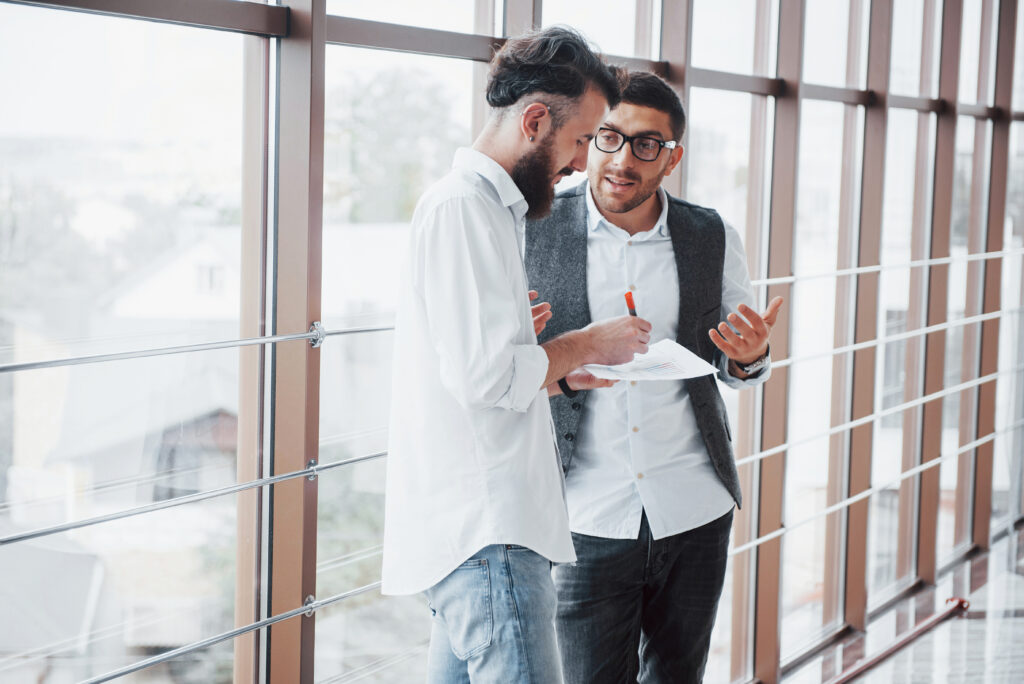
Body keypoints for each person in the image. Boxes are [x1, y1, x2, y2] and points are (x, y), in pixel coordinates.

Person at [381, 28, 654, 683]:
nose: (583, 163)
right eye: (583, 140)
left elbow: (480, 372)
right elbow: (486, 378)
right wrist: (585, 343)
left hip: (480, 533)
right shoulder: (465, 209)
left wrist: (553, 372)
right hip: (489, 534)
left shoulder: (487, 210)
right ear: (536, 120)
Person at [525, 70, 784, 683]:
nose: (622, 160)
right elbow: (507, 368)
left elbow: (736, 360)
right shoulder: (534, 229)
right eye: (610, 138)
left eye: (647, 145)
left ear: (672, 158)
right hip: (584, 514)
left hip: (693, 507)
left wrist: (749, 354)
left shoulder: (710, 234)